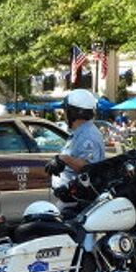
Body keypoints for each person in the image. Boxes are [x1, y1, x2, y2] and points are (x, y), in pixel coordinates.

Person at [45, 89, 105, 219]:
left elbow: (89, 167)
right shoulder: (80, 133)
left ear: (74, 112)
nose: (64, 114)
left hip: (77, 203)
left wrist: (63, 159)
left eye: (66, 110)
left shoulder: (88, 135)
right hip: (70, 199)